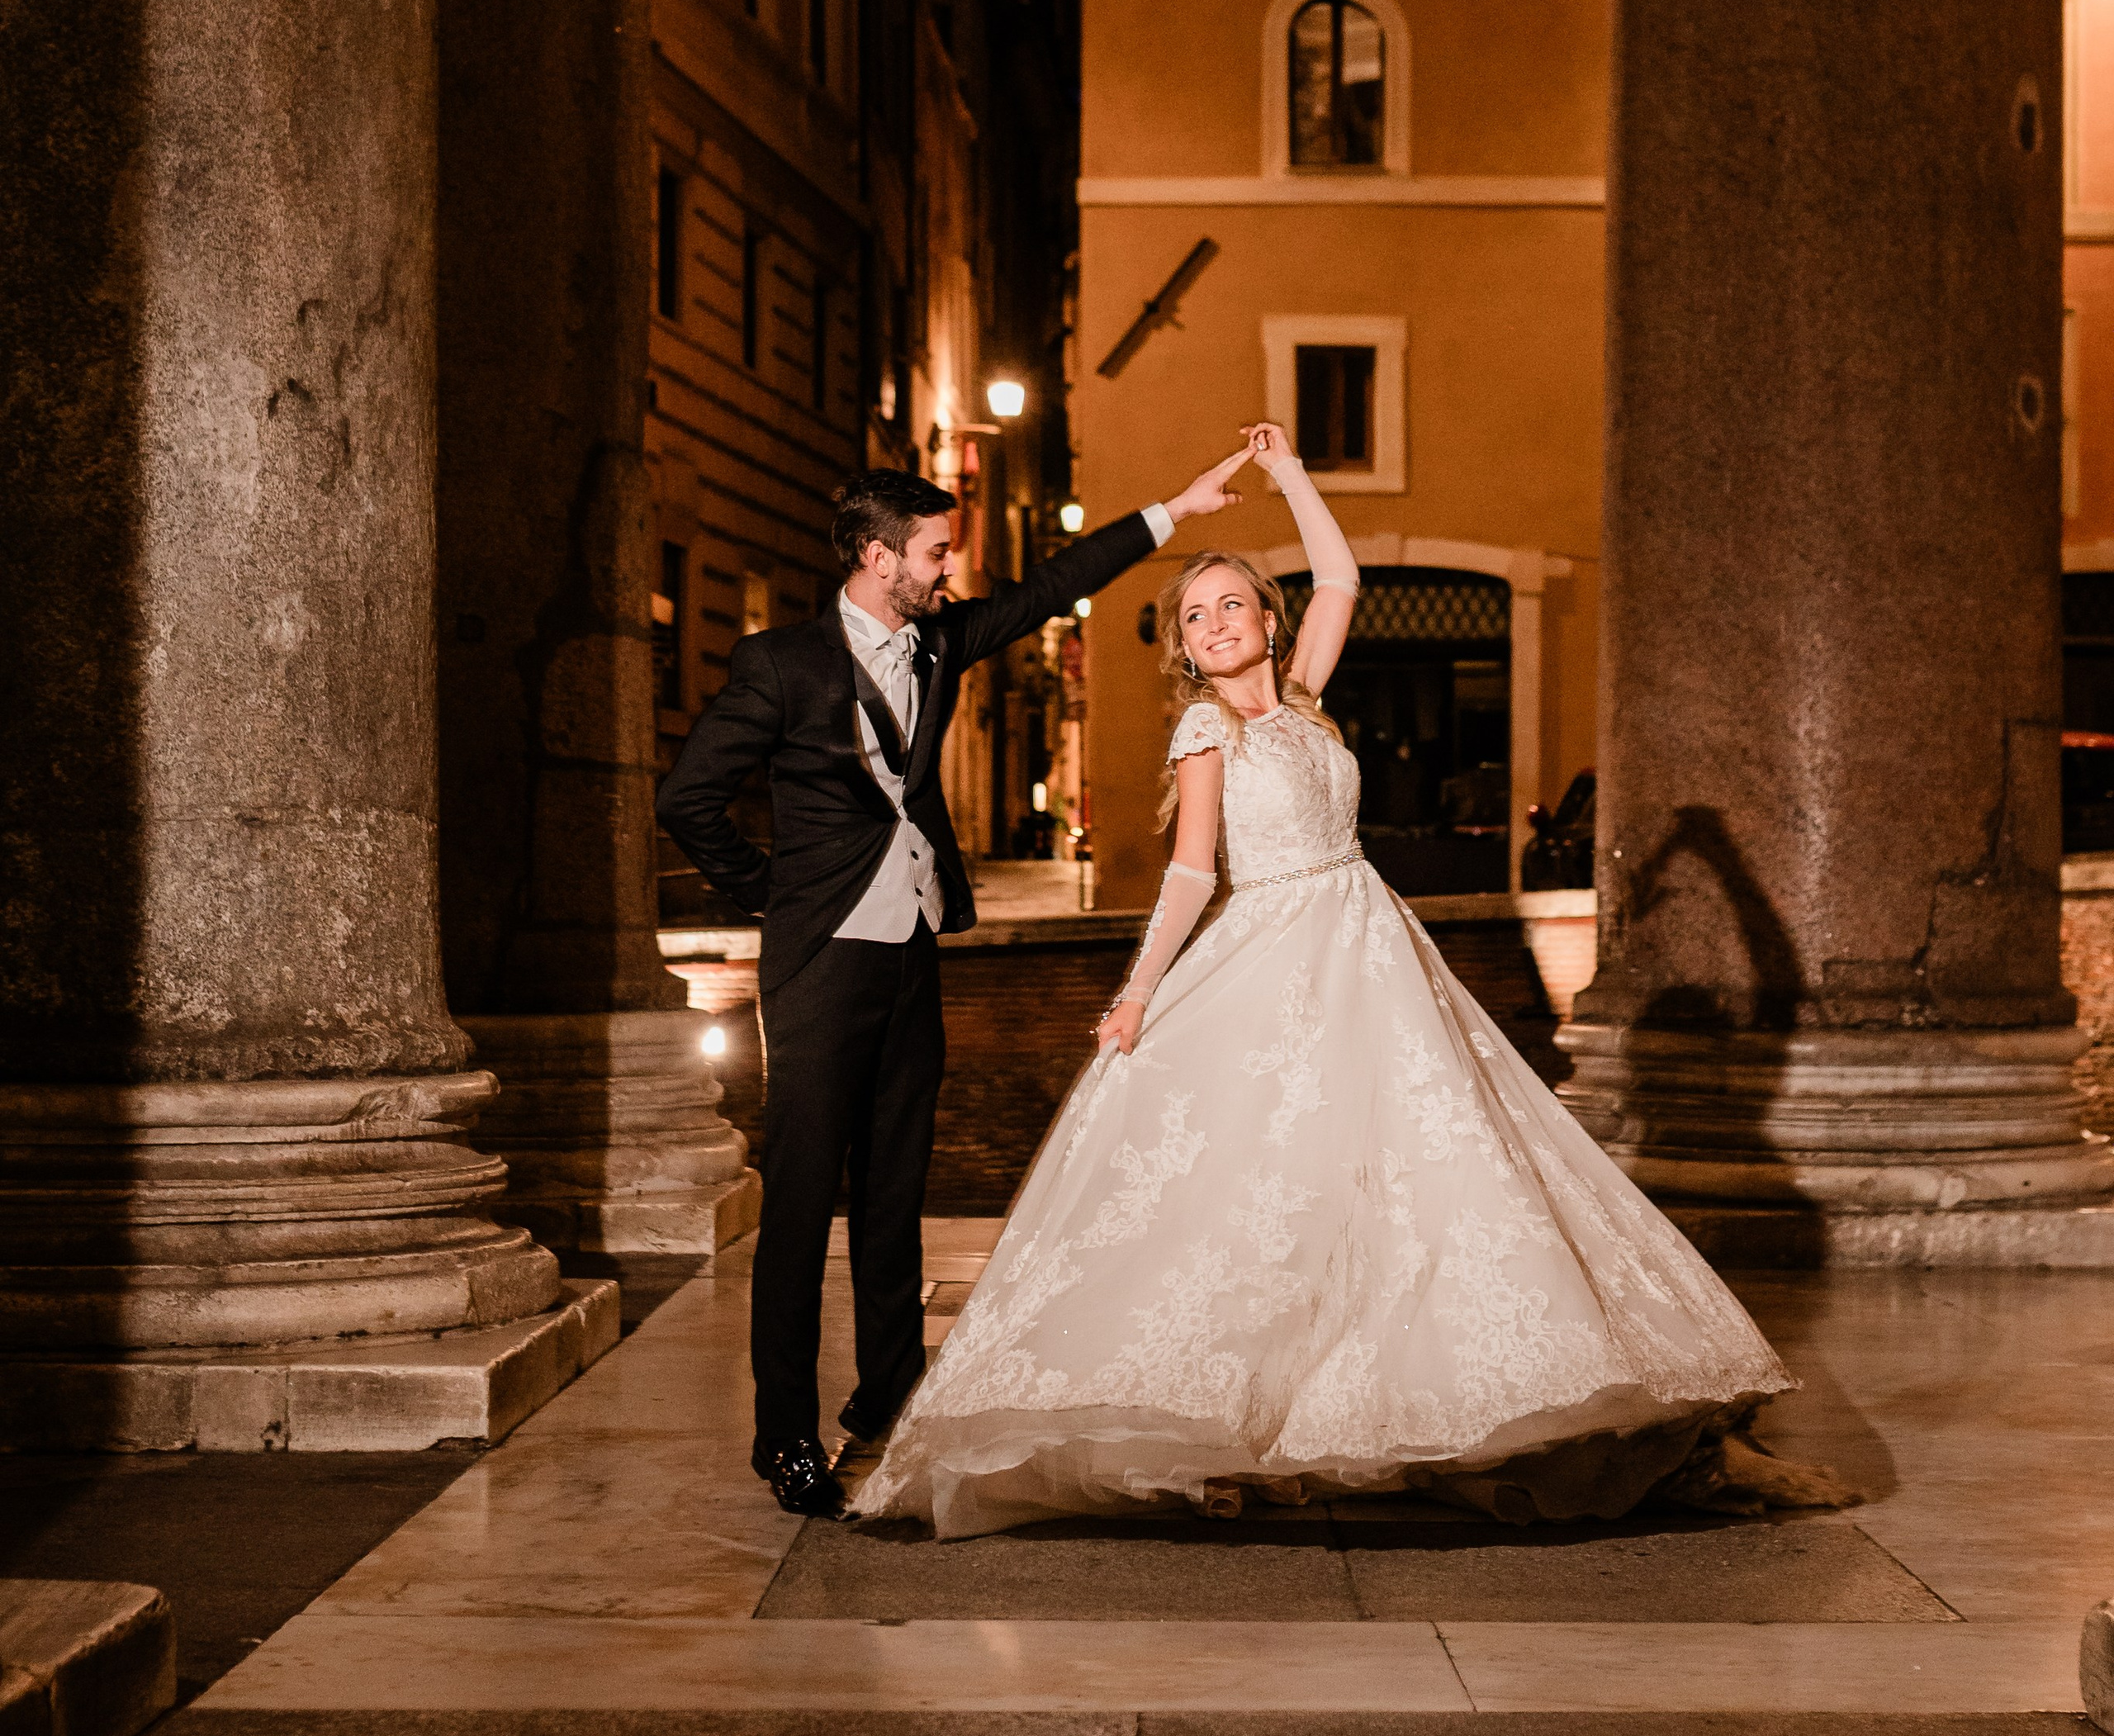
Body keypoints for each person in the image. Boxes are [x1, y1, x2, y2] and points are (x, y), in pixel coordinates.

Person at [860, 423, 1835, 1540]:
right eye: (1194, 616)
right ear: (1184, 650)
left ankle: (1426, 1388)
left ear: (1268, 624)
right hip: (1271, 948)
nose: (1215, 624)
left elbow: (1341, 573)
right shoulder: (1203, 727)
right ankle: (1248, 1416)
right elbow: (1188, 877)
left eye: (1232, 605)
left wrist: (1285, 474)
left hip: (1370, 942)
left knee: (1419, 1163)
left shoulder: (1309, 697)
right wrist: (1136, 993)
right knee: (1272, 1176)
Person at [656, 448, 1256, 1518]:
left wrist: (1173, 511)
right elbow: (689, 800)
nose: (948, 571)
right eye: (934, 553)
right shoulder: (779, 664)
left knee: (896, 1193)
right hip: (821, 963)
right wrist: (778, 896)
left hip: (911, 958)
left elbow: (1048, 591)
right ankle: (783, 1434)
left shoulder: (938, 644)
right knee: (800, 1206)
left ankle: (888, 1394)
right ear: (881, 557)